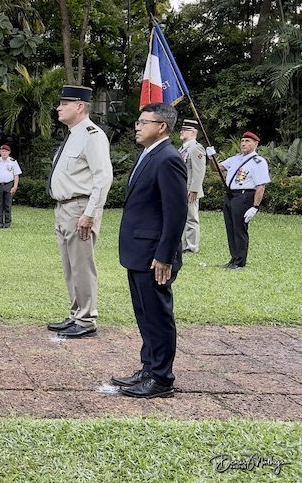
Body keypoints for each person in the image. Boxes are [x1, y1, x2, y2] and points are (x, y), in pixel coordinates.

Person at [112, 103, 187, 399]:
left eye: (145, 122)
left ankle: (161, 378)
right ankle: (149, 367)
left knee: (157, 314)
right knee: (145, 313)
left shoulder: (168, 158)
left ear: (162, 126)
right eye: (138, 121)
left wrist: (165, 255)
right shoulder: (149, 154)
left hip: (154, 254)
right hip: (138, 250)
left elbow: (176, 211)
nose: (137, 126)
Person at [46, 86, 113, 338]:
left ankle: (86, 319)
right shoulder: (74, 134)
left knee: (82, 264)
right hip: (64, 207)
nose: (59, 107)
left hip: (79, 207)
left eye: (64, 103)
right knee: (70, 265)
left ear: (80, 107)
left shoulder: (92, 135)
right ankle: (76, 313)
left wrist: (90, 212)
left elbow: (103, 177)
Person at [211, 131, 270, 269]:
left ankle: (240, 261)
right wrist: (211, 157)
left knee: (239, 229)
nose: (243, 143)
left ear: (255, 144)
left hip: (244, 196)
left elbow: (261, 186)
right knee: (230, 228)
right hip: (230, 196)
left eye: (248, 141)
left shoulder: (259, 162)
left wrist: (255, 207)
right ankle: (233, 259)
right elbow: (216, 169)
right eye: (242, 141)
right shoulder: (235, 159)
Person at [178, 119, 206, 253]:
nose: (181, 131)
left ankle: (191, 246)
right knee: (182, 217)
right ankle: (183, 244)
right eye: (182, 129)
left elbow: (199, 170)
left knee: (191, 217)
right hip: (181, 188)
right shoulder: (183, 148)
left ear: (193, 132)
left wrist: (194, 189)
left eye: (185, 129)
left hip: (190, 189)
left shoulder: (195, 148)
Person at [0, 144, 21, 229]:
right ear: (0, 152)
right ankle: (0, 223)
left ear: (9, 152)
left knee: (8, 204)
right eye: (3, 151)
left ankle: (7, 223)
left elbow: (16, 175)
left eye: (6, 151)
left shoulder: (13, 162)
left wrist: (15, 186)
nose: (4, 153)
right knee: (0, 204)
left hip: (9, 185)